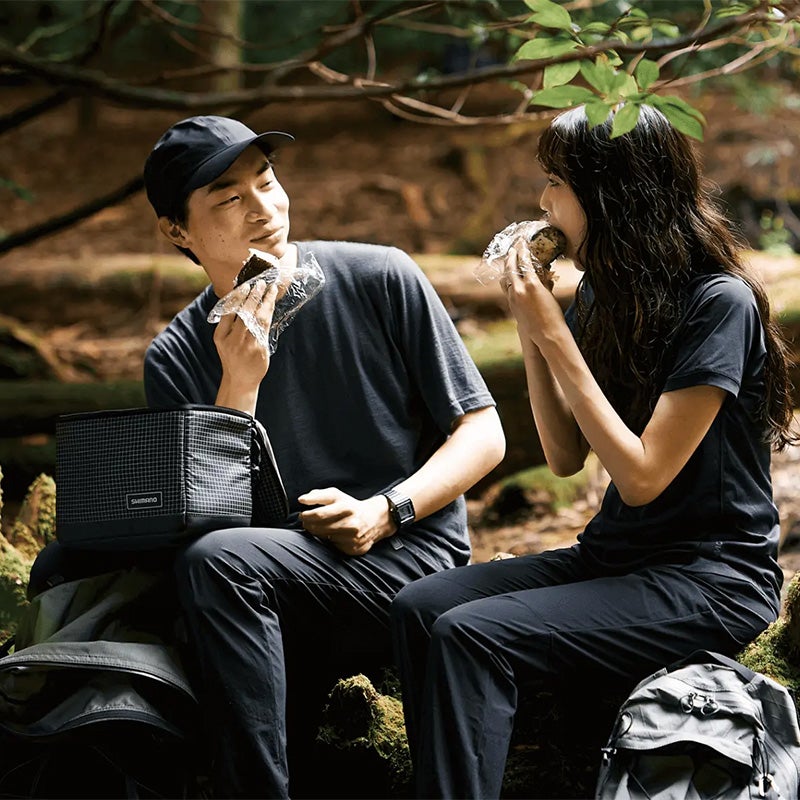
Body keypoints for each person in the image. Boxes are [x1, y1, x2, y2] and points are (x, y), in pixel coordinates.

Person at [390, 104, 798, 799]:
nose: (543, 203)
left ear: (612, 194)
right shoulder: (604, 299)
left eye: (557, 182)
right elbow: (563, 455)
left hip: (712, 579)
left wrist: (553, 334)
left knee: (471, 634)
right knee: (420, 607)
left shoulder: (718, 303)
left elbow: (642, 477)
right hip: (615, 558)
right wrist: (533, 325)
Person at [139, 114, 505, 798]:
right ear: (177, 231)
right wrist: (239, 385)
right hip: (270, 585)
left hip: (408, 559)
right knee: (204, 568)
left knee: (218, 566)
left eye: (267, 181)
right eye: (229, 197)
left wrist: (384, 511)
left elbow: (484, 433)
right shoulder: (176, 356)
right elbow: (211, 525)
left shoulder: (380, 275)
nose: (263, 208)